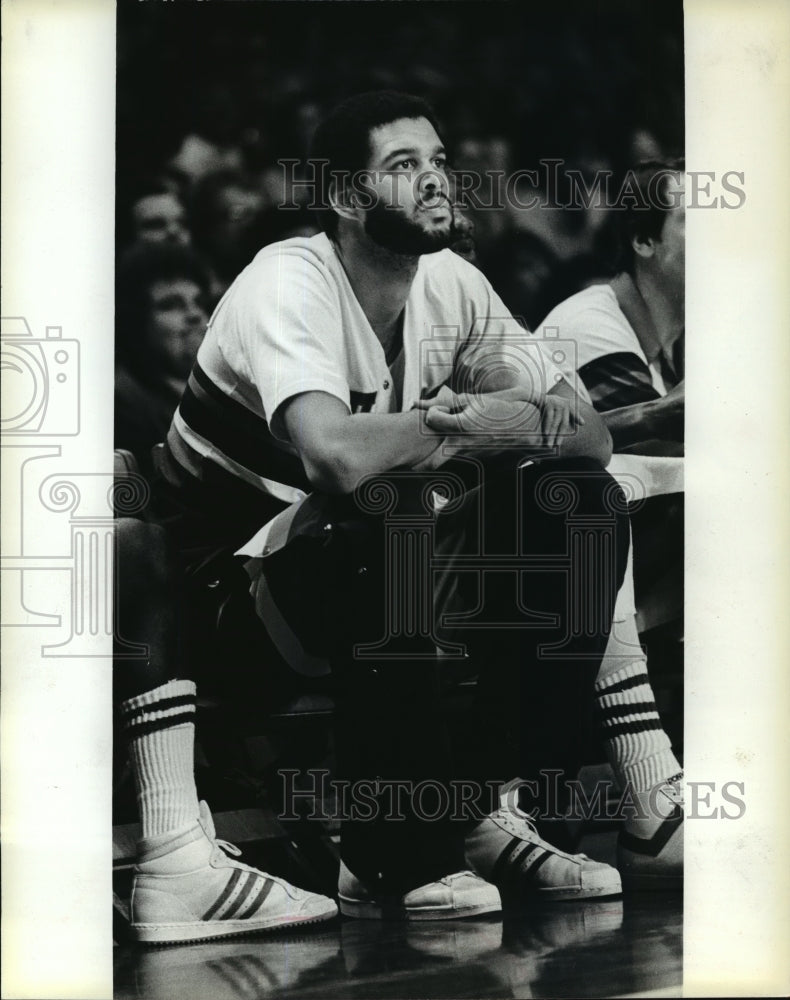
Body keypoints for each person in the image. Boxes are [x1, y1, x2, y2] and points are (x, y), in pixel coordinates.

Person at [131, 90, 630, 940]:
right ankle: (392, 856)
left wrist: (502, 423)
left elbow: (589, 437)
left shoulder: (454, 282)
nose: (436, 181)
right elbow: (334, 455)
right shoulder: (288, 279)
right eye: (403, 167)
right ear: (346, 197)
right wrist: (458, 426)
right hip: (223, 601)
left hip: (357, 566)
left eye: (437, 161)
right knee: (391, 509)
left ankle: (480, 806)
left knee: (578, 507)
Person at [534, 159, 686, 888]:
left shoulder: (689, 338)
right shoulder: (588, 323)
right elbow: (661, 452)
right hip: (541, 579)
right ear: (645, 241)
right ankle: (652, 811)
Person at [115, 243, 211, 479]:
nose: (194, 314)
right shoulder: (122, 403)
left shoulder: (214, 390)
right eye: (171, 305)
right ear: (136, 322)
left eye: (198, 302)